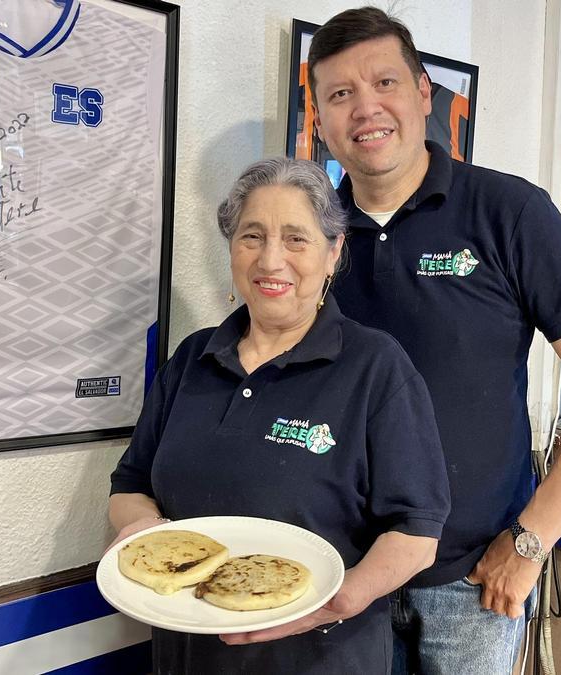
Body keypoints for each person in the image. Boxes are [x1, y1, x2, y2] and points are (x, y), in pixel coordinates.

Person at [306, 8, 561, 674]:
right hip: (347, 574)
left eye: (385, 82)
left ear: (423, 94)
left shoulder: (507, 212)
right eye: (340, 94)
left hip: (473, 585)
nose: (365, 108)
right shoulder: (313, 235)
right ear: (320, 116)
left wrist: (530, 543)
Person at [108, 157, 451, 674]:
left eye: (296, 239)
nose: (271, 260)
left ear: (333, 252)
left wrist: (335, 604)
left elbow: (416, 534)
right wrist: (154, 543)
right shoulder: (191, 360)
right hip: (187, 657)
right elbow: (130, 484)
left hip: (324, 657)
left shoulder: (376, 368)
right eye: (252, 236)